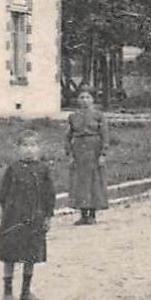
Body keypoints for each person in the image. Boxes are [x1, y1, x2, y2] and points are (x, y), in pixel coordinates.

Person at [0, 130, 56, 300]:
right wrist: (6, 213)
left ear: (40, 149)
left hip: (35, 217)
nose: (29, 150)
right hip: (13, 218)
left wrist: (47, 216)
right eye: (25, 145)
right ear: (18, 148)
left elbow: (49, 195)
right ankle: (7, 292)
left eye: (33, 145)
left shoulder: (43, 169)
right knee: (9, 255)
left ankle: (26, 290)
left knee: (31, 254)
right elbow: (3, 194)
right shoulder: (13, 169)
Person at [66, 89, 109, 225]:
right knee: (80, 182)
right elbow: (67, 136)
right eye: (81, 97)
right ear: (77, 100)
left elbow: (105, 136)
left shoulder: (99, 115)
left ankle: (92, 214)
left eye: (87, 97)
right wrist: (70, 154)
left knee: (94, 181)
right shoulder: (73, 116)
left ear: (92, 100)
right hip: (79, 150)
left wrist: (103, 154)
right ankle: (83, 214)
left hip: (94, 150)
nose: (84, 100)